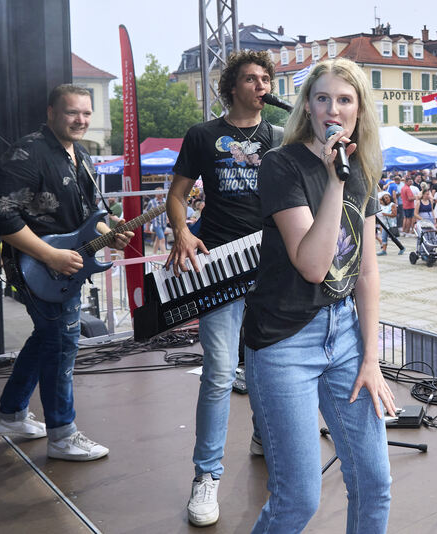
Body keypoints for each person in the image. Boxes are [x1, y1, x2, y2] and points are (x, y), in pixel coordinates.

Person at [242, 58, 394, 532]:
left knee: (374, 483)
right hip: (284, 342)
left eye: (344, 100)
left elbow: (366, 271)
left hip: (343, 334)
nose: (333, 108)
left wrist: (372, 357)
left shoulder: (361, 169)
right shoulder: (281, 165)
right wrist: (334, 181)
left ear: (358, 110)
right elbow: (312, 265)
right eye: (323, 98)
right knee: (297, 500)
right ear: (307, 107)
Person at [165, 50, 283, 527]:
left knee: (266, 366)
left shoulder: (278, 136)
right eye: (251, 79)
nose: (261, 85)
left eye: (266, 79)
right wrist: (183, 231)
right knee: (218, 372)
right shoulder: (203, 135)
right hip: (220, 264)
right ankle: (206, 475)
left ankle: (263, 437)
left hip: (271, 266)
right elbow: (176, 195)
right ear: (232, 86)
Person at [0, 84, 133, 460]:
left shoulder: (81, 155)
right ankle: (62, 435)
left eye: (86, 113)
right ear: (51, 112)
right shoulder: (26, 154)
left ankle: (12, 413)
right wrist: (50, 255)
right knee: (62, 345)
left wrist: (109, 235)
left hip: (65, 267)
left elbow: (86, 219)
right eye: (72, 113)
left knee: (49, 337)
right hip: (38, 268)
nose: (81, 120)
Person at [376, 192, 397, 256]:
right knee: (384, 237)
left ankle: (401, 247)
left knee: (394, 238)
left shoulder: (392, 205)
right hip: (385, 225)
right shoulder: (383, 205)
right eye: (384, 198)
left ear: (390, 198)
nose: (386, 199)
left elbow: (394, 214)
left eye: (387, 197)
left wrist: (386, 214)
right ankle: (384, 251)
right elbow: (377, 200)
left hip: (391, 224)